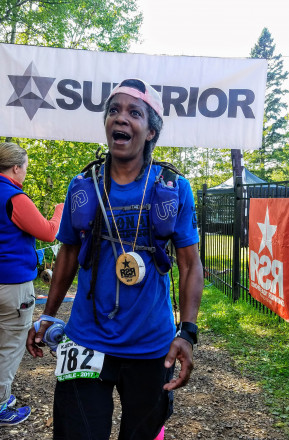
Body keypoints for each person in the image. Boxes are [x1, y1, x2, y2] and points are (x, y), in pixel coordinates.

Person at [27, 79, 203, 440]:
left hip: (151, 346)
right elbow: (68, 253)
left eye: (133, 113)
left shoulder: (171, 188)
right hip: (85, 339)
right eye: (113, 111)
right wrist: (47, 314)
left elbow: (189, 263)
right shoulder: (83, 185)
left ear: (151, 131)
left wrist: (187, 331)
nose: (120, 118)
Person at [0, 142, 64, 426]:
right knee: (10, 345)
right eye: (25, 168)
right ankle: (1, 405)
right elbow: (49, 233)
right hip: (12, 286)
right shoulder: (14, 197)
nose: (25, 173)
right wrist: (61, 209)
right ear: (16, 168)